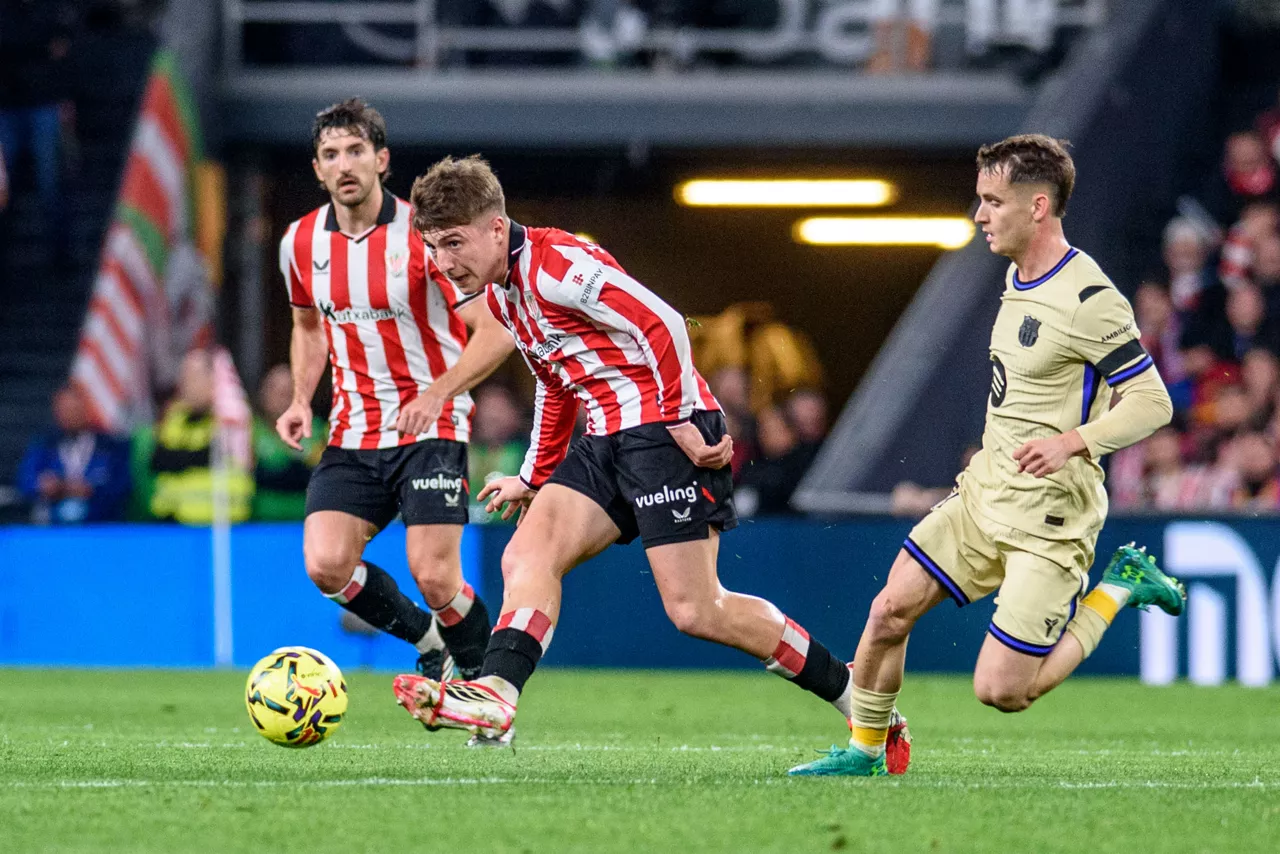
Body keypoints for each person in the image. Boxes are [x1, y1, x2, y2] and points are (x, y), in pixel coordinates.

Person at [393, 154, 910, 772]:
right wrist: (533, 475)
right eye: (434, 247)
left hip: (665, 434)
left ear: (497, 228)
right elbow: (556, 383)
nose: (444, 261)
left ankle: (861, 700)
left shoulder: (558, 265)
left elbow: (663, 323)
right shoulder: (500, 295)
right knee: (528, 555)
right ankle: (497, 697)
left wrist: (678, 419)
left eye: (454, 242)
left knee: (698, 610)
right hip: (604, 437)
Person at [791, 134, 1186, 777]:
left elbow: (1152, 401)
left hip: (1050, 519)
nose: (980, 215)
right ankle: (865, 750)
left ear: (1037, 206)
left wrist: (1071, 442)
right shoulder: (1015, 274)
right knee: (888, 611)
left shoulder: (1090, 300)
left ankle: (1120, 585)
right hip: (984, 494)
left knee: (1002, 691)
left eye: (993, 201)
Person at [276, 100, 515, 684]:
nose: (345, 164)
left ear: (381, 160)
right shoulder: (299, 242)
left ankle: (487, 693)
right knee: (326, 565)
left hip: (431, 428)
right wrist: (301, 398)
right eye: (331, 154)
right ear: (318, 169)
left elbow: (496, 329)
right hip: (353, 430)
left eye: (356, 150)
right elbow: (308, 327)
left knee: (435, 576)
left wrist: (438, 392)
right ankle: (429, 641)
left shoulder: (423, 237)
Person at [16, 383, 129, 524]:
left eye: (74, 410)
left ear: (86, 410)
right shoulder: (44, 445)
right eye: (64, 410)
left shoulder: (110, 446)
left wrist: (91, 490)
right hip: (52, 526)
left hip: (100, 525)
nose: (69, 416)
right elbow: (25, 481)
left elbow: (123, 485)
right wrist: (43, 485)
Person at [251, 363, 326, 520]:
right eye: (275, 390)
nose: (281, 397)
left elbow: (323, 477)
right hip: (260, 523)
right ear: (262, 393)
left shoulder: (316, 431)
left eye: (287, 391)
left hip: (305, 520)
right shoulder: (250, 431)